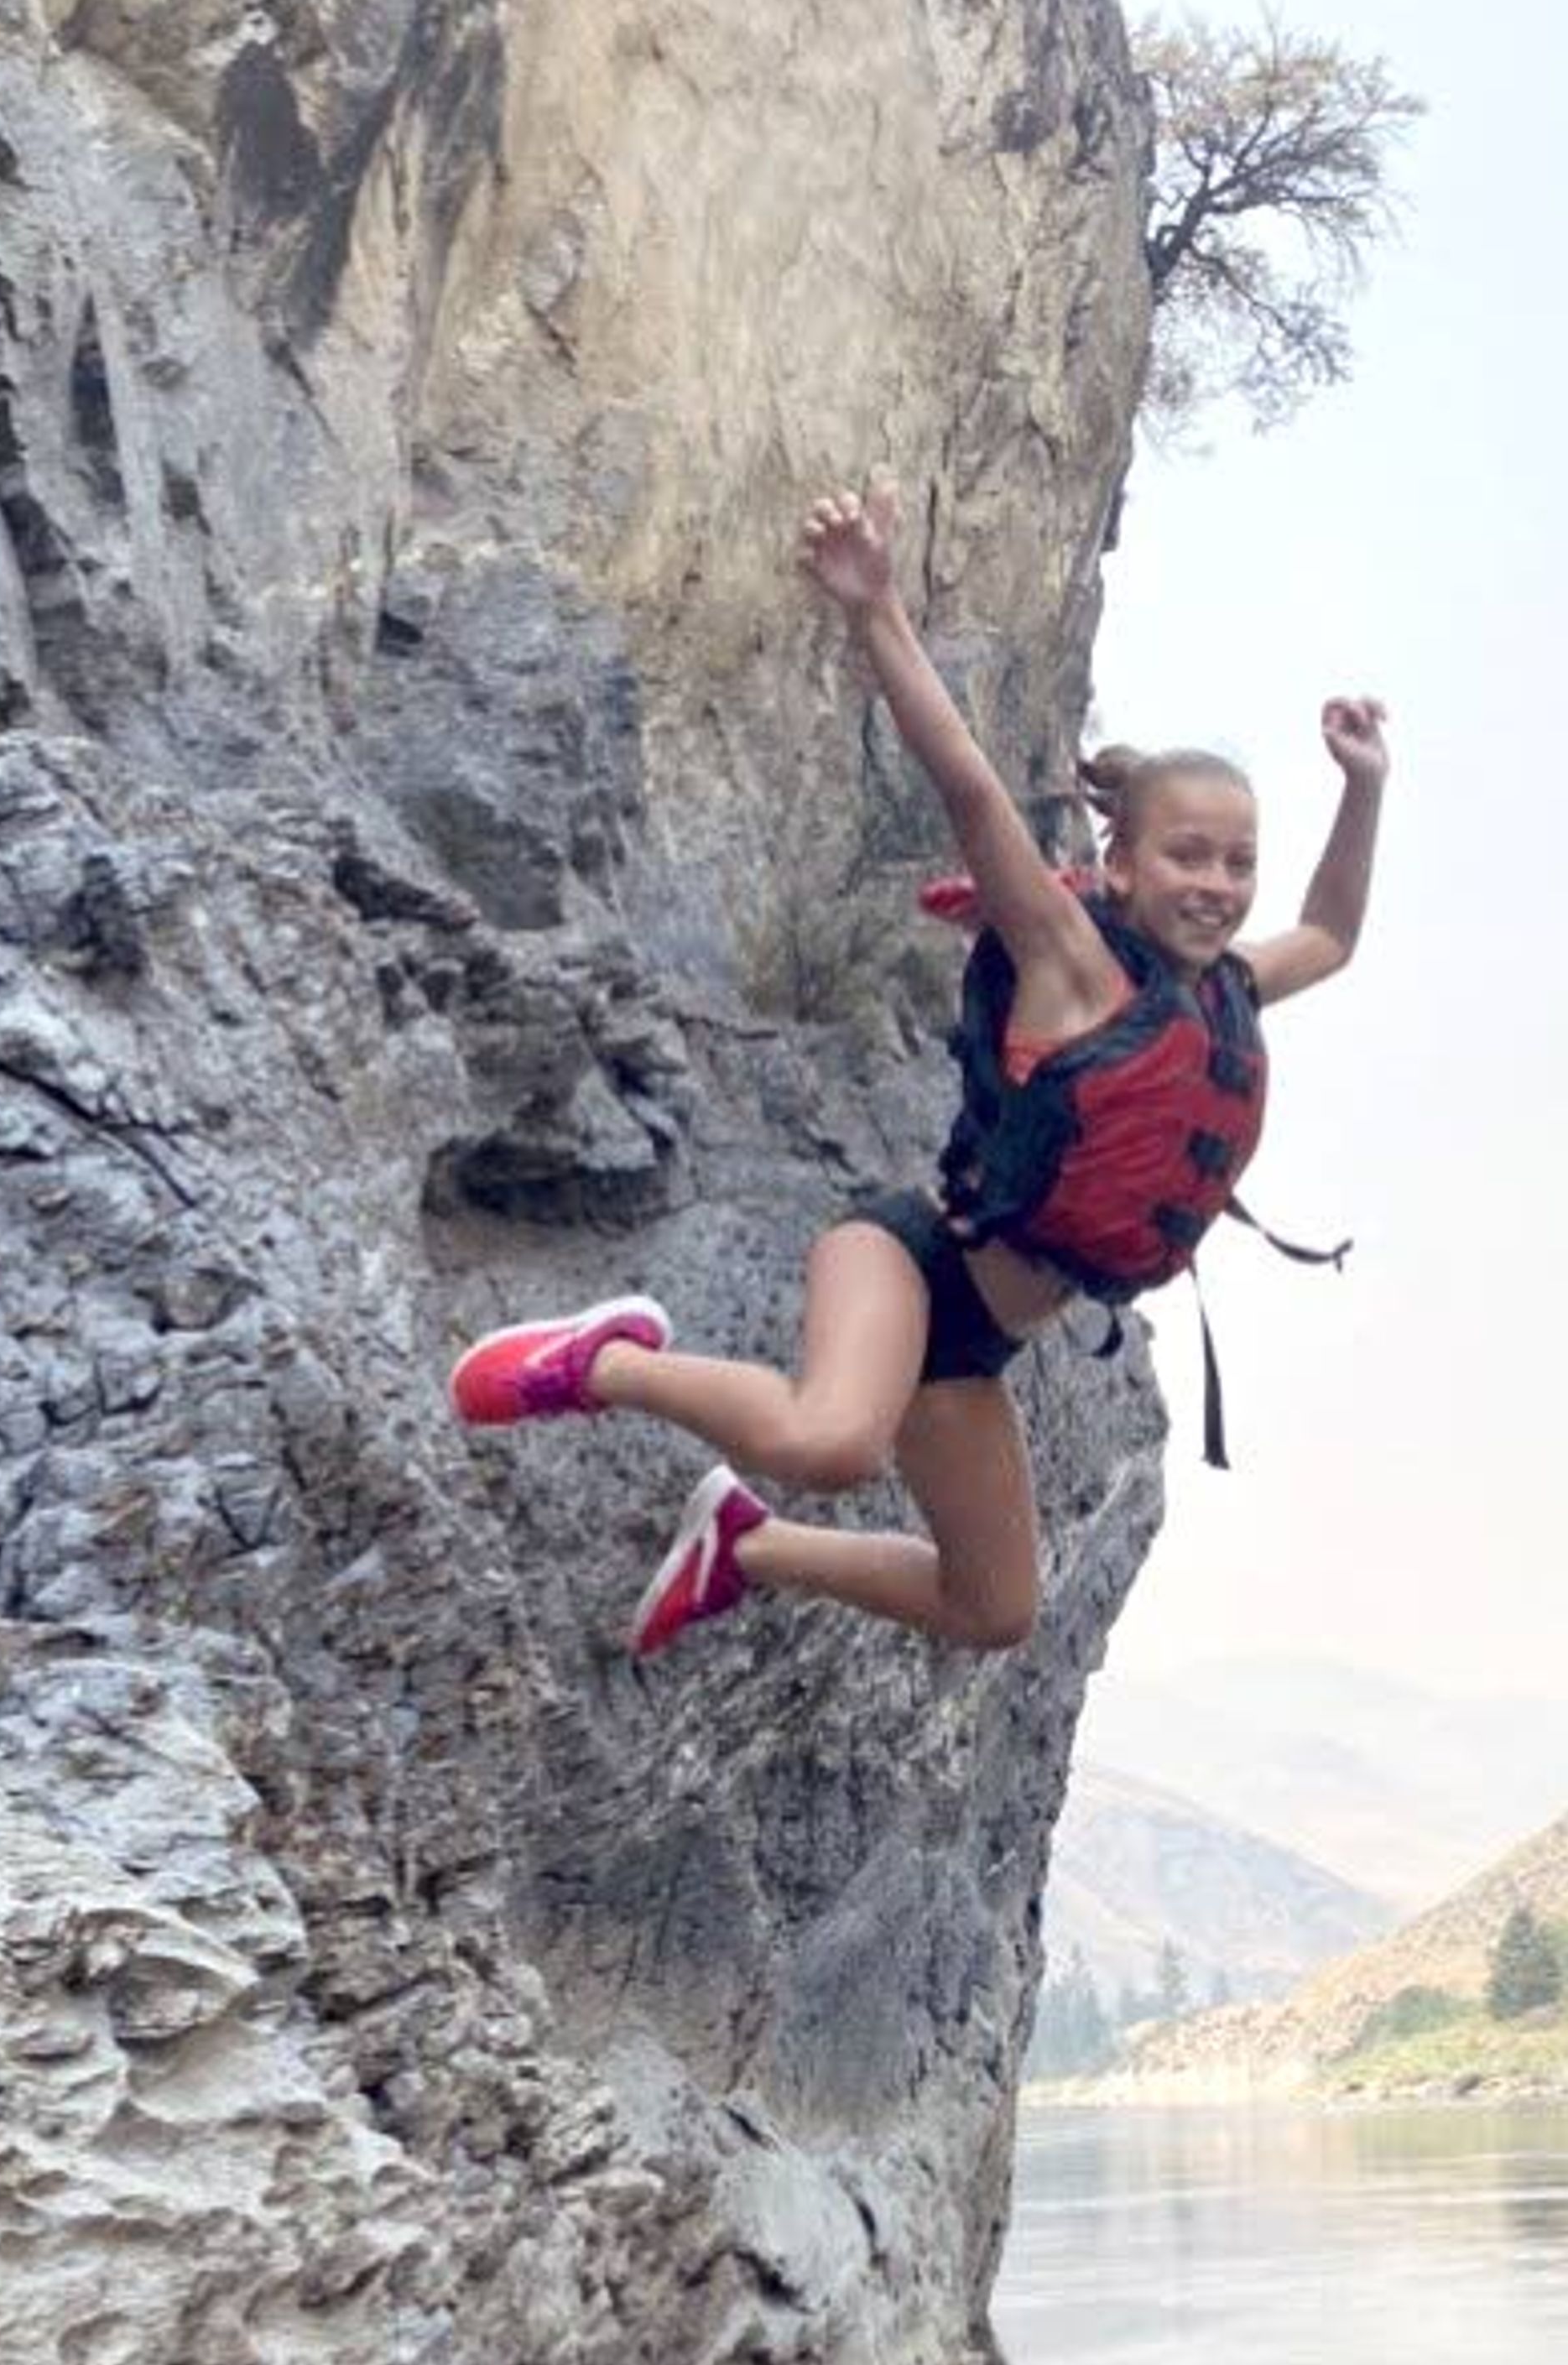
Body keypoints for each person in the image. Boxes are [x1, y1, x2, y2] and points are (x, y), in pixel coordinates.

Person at [450, 473, 1388, 1659]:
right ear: (1126, 862)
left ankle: (744, 1547)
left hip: (976, 1338)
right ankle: (608, 1359)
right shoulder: (1069, 961)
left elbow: (1337, 935)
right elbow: (971, 788)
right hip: (909, 1254)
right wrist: (874, 607)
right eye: (1188, 856)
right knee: (829, 1442)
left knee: (995, 1609)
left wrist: (1365, 789)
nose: (1217, 884)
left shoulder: (1230, 992)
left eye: (1238, 862)